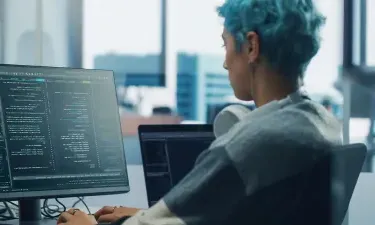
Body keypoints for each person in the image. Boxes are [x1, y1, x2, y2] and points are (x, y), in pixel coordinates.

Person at [58, 0, 342, 224]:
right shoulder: (321, 124)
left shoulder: (252, 143)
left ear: (252, 46)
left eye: (226, 45)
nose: (225, 63)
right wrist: (149, 215)